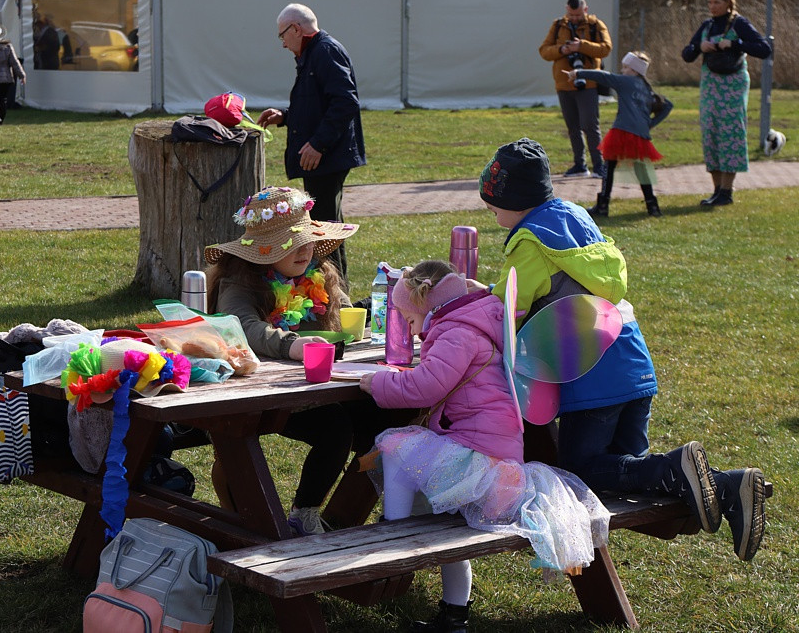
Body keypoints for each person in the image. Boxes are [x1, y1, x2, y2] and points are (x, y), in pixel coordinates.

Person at [472, 137, 767, 562]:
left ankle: (677, 465)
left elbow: (506, 310)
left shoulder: (530, 243)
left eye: (492, 202)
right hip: (634, 364)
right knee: (629, 471)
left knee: (581, 471)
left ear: (512, 200)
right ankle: (728, 484)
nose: (490, 210)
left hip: (594, 379)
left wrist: (471, 301)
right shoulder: (576, 217)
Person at [358, 261, 610, 633]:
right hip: (497, 464)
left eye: (410, 321)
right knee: (445, 525)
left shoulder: (456, 334)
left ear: (426, 305)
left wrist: (375, 383)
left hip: (483, 466)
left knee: (395, 446)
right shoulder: (476, 322)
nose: (410, 333)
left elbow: (425, 388)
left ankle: (395, 529)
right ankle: (454, 618)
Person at [205, 186, 373, 536]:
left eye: (309, 239)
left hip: (321, 384)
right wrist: (293, 346)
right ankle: (294, 515)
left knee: (381, 419)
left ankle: (332, 514)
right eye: (292, 242)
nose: (306, 249)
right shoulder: (239, 281)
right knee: (336, 427)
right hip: (262, 394)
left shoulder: (318, 273)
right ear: (262, 250)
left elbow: (344, 314)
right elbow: (242, 327)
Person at [257, 3, 365, 283]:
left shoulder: (325, 51)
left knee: (324, 230)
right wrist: (285, 117)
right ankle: (335, 293)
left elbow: (345, 102)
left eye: (282, 35)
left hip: (327, 157)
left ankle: (335, 296)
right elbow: (316, 106)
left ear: (296, 29)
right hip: (322, 156)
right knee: (325, 226)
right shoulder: (314, 53)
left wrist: (318, 145)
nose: (282, 43)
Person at [681, 0, 771, 207]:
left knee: (730, 133)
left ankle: (727, 191)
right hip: (710, 84)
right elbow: (687, 54)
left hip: (733, 85)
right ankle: (716, 190)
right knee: (710, 131)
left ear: (728, 2)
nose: (712, 7)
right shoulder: (707, 26)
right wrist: (700, 47)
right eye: (709, 3)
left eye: (717, 2)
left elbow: (764, 48)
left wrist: (734, 43)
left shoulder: (739, 23)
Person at [564, 51, 673, 217]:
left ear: (635, 70)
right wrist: (649, 124)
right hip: (640, 134)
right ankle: (653, 207)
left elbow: (604, 76)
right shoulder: (646, 88)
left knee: (609, 165)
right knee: (641, 168)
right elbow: (668, 106)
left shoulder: (626, 81)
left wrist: (578, 73)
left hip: (622, 130)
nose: (622, 70)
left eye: (626, 67)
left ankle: (603, 206)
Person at [538, 0, 612, 179]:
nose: (574, 18)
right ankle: (580, 165)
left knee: (590, 125)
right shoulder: (558, 25)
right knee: (573, 127)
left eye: (578, 15)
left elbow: (606, 48)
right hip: (564, 83)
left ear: (585, 10)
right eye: (571, 15)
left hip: (588, 83)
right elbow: (544, 51)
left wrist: (582, 46)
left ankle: (599, 165)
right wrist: (562, 50)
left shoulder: (596, 25)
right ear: (566, 10)